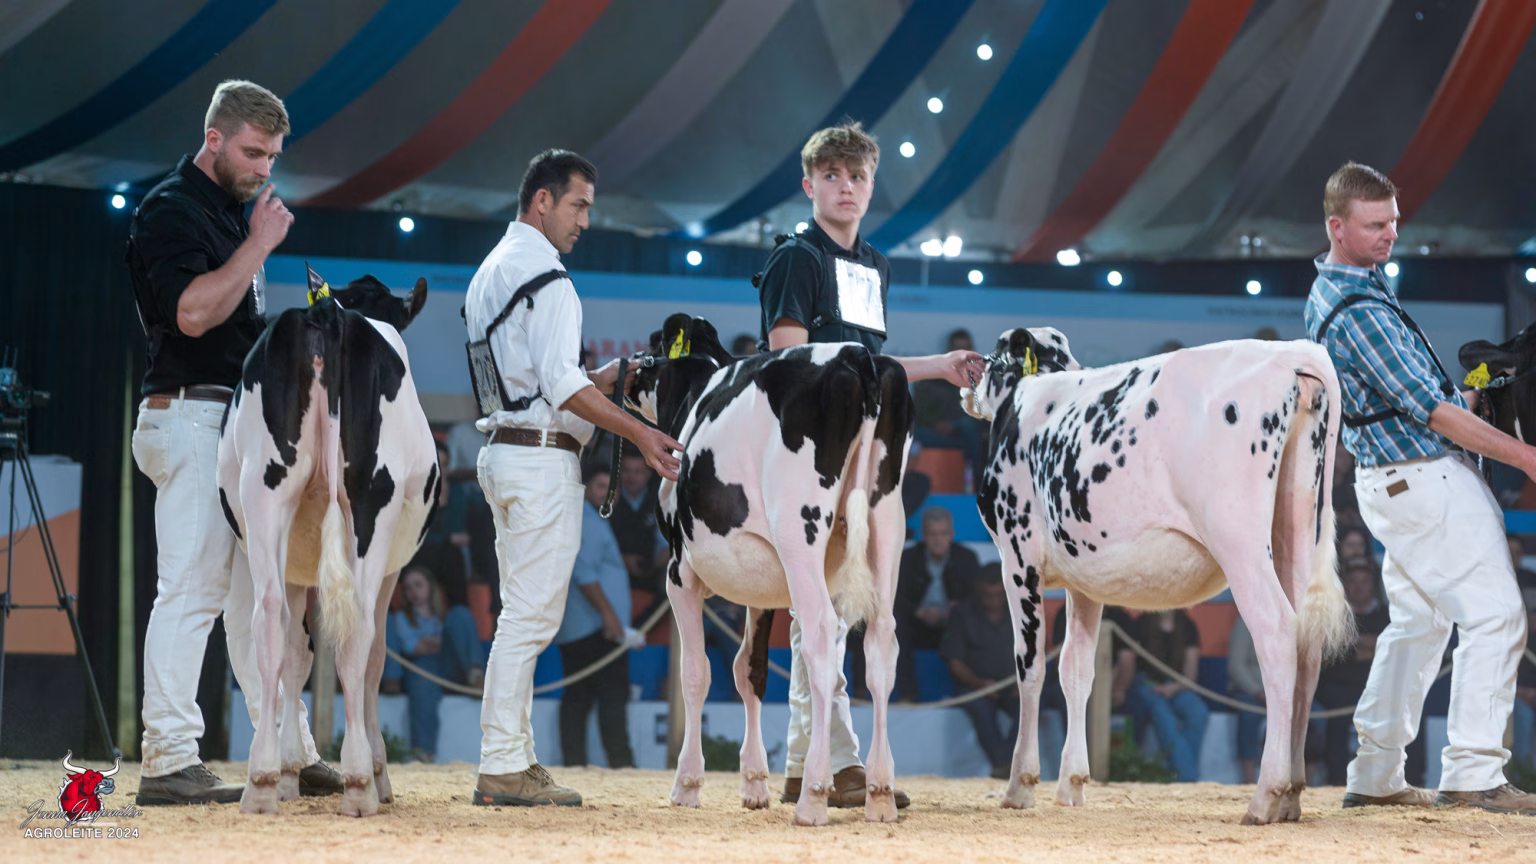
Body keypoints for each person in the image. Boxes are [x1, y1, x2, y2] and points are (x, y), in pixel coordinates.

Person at [125, 79, 340, 805]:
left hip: (233, 424)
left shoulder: (226, 214)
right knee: (193, 589)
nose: (264, 169)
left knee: (262, 596)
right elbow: (192, 314)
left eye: (273, 156)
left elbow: (232, 325)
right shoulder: (169, 209)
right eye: (252, 153)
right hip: (192, 417)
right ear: (212, 138)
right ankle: (167, 759)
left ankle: (291, 750)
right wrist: (258, 244)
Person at [756, 122, 982, 810]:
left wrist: (939, 367)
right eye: (831, 175)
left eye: (856, 176)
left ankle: (806, 759)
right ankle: (841, 760)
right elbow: (789, 359)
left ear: (872, 186)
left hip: (865, 452)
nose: (845, 187)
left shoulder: (876, 265)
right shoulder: (796, 258)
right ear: (809, 185)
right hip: (806, 453)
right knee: (822, 609)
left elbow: (872, 364)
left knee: (828, 609)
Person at [1306, 161, 1536, 813]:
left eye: (1394, 222)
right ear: (1337, 227)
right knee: (1495, 615)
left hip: (1392, 483)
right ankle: (1474, 774)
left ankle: (1376, 772)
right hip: (1423, 478)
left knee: (1417, 625)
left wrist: (1470, 395)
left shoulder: (1341, 289)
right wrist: (1524, 455)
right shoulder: (1358, 308)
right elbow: (1430, 413)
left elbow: (1412, 399)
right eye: (1375, 225)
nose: (1390, 234)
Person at [463, 149, 681, 808]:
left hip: (503, 451)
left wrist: (599, 382)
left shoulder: (490, 271)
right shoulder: (551, 278)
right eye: (578, 205)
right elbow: (559, 388)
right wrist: (639, 432)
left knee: (520, 615)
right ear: (543, 201)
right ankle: (502, 763)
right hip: (539, 460)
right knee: (530, 618)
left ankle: (513, 756)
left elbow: (532, 383)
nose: (585, 220)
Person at [553, 464, 637, 769]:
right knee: (608, 696)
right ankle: (620, 763)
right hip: (593, 626)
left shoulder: (589, 518)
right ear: (586, 487)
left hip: (587, 625)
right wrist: (608, 613)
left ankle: (576, 762)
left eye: (612, 489)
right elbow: (584, 574)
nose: (607, 495)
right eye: (601, 487)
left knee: (581, 697)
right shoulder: (585, 520)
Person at [381, 565, 486, 763]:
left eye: (418, 585)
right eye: (408, 588)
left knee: (461, 613)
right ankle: (423, 753)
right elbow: (414, 648)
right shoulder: (401, 617)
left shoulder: (446, 617)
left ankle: (476, 675)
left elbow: (423, 644)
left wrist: (427, 642)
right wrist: (439, 642)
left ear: (430, 587)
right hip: (421, 669)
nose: (413, 591)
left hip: (448, 668)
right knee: (422, 677)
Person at [890, 506, 982, 701]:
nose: (938, 540)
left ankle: (966, 694)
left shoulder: (967, 558)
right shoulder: (907, 558)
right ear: (923, 535)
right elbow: (895, 596)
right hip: (917, 622)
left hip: (952, 624)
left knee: (967, 620)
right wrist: (917, 612)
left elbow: (976, 598)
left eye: (943, 534)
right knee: (896, 623)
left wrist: (951, 611)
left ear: (952, 534)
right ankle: (908, 695)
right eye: (932, 534)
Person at [1314, 562, 1392, 786]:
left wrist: (1355, 642)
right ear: (1344, 585)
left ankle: (1393, 779)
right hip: (1337, 688)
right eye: (1353, 581)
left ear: (1373, 585)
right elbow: (1331, 656)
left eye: (1364, 581)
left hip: (1378, 687)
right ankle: (1337, 781)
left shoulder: (1388, 614)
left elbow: (1393, 648)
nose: (1359, 587)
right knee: (1336, 715)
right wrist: (1373, 646)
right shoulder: (1333, 614)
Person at [942, 568, 1018, 779]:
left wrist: (1025, 684)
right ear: (978, 591)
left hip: (1014, 685)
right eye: (988, 596)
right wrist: (979, 684)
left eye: (999, 595)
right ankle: (1003, 764)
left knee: (1031, 707)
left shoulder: (1020, 610)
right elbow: (954, 661)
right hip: (974, 686)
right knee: (981, 709)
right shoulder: (962, 614)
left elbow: (1038, 652)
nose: (994, 601)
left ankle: (1008, 763)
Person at [1128, 610, 1208, 783]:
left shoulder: (1187, 625)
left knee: (1199, 712)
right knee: (1163, 715)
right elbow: (1130, 664)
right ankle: (1188, 778)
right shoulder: (1141, 623)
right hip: (1147, 684)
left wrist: (1172, 688)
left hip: (1178, 686)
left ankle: (1181, 772)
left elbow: (1191, 675)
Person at [911, 328, 985, 482]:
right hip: (936, 433)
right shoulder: (932, 377)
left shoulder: (982, 381)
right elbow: (918, 412)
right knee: (916, 434)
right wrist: (937, 424)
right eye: (958, 349)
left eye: (967, 349)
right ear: (949, 350)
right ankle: (978, 476)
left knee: (971, 427)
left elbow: (988, 415)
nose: (963, 355)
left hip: (968, 434)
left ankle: (978, 478)